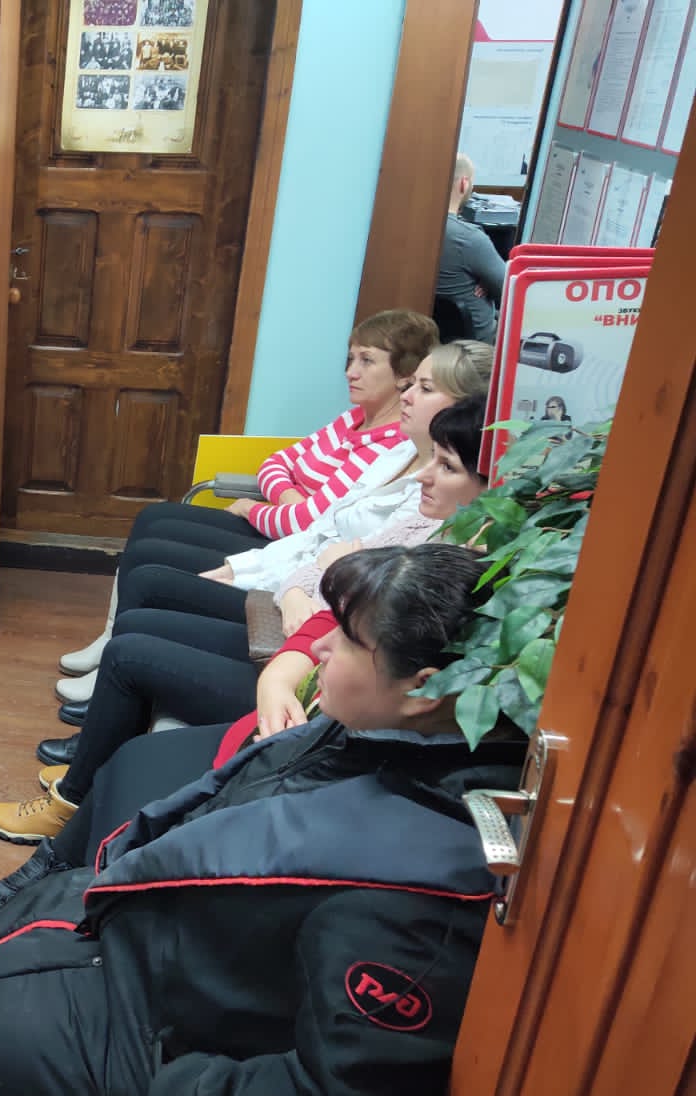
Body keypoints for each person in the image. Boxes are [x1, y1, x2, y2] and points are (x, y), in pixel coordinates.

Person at [0, 544, 525, 1096]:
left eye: (345, 638)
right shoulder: (367, 736)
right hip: (176, 967)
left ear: (423, 690)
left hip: (182, 1051)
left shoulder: (410, 909)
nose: (317, 647)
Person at [0, 397, 490, 843]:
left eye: (446, 466)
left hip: (300, 667)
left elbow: (332, 581)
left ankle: (72, 796)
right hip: (290, 633)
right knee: (141, 613)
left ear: (492, 482)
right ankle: (87, 768)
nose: (425, 475)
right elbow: (323, 566)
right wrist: (304, 588)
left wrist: (297, 586)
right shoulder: (421, 514)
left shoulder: (449, 565)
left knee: (132, 650)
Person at [55, 310, 436, 703]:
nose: (350, 372)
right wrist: (289, 496)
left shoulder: (392, 445)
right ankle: (109, 642)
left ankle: (114, 667)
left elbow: (309, 521)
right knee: (153, 519)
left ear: (404, 375)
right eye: (351, 358)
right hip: (284, 532)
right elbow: (276, 464)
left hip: (282, 542)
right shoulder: (352, 419)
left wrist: (253, 510)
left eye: (367, 360)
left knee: (151, 559)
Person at [436, 153, 506, 343]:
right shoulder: (469, 238)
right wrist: (489, 282)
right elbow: (510, 291)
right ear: (464, 184)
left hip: (432, 338)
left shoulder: (412, 231)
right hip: (477, 346)